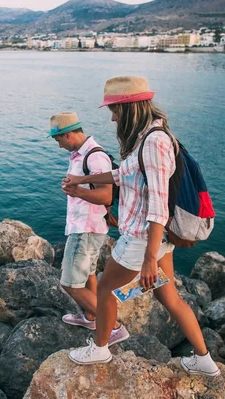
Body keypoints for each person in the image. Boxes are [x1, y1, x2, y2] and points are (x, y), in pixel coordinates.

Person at [63, 77, 220, 377]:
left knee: (106, 289)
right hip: (155, 239)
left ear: (128, 107)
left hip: (143, 238)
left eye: (114, 109)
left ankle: (99, 349)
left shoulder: (155, 143)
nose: (111, 117)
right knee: (168, 296)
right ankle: (204, 361)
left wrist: (149, 259)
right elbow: (123, 174)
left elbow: (160, 205)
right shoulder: (146, 138)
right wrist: (81, 181)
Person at [49, 111, 129, 345]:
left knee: (70, 283)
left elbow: (105, 196)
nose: (58, 145)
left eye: (59, 140)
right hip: (86, 226)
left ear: (70, 134)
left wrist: (77, 191)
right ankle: (92, 316)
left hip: (86, 228)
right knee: (89, 274)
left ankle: (113, 326)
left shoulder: (95, 158)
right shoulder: (79, 155)